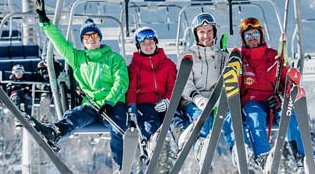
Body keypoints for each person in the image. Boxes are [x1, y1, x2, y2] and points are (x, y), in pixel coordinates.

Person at [32, 0, 129, 174]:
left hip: (113, 104)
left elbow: (121, 82)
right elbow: (60, 43)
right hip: (91, 104)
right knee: (74, 116)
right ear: (83, 41)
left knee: (118, 128)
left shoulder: (114, 59)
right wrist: (45, 22)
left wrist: (109, 101)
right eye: (86, 37)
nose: (90, 39)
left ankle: (121, 168)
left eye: (93, 36)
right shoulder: (77, 58)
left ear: (99, 38)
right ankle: (55, 132)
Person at [234, 17, 304, 164]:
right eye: (248, 36)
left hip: (274, 100)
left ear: (261, 35)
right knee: (255, 118)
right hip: (251, 102)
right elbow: (235, 87)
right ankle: (263, 156)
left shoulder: (274, 57)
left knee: (288, 116)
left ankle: (301, 155)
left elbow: (286, 81)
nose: (252, 38)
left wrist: (281, 95)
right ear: (243, 39)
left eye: (255, 34)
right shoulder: (240, 60)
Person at [178, 13, 232, 160]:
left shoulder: (223, 56)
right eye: (202, 32)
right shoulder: (187, 56)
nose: (206, 36)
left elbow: (231, 82)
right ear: (196, 34)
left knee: (230, 118)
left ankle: (239, 150)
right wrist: (197, 98)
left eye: (209, 31)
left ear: (214, 32)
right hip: (194, 102)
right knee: (202, 118)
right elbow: (184, 83)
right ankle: (201, 146)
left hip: (217, 101)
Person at [126, 26, 177, 159]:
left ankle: (182, 138)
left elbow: (173, 85)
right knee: (148, 119)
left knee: (173, 117)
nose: (148, 46)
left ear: (156, 43)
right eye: (144, 44)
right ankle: (150, 140)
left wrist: (168, 99)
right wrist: (131, 106)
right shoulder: (135, 67)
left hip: (164, 101)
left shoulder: (168, 64)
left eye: (151, 43)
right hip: (144, 102)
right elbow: (131, 89)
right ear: (139, 46)